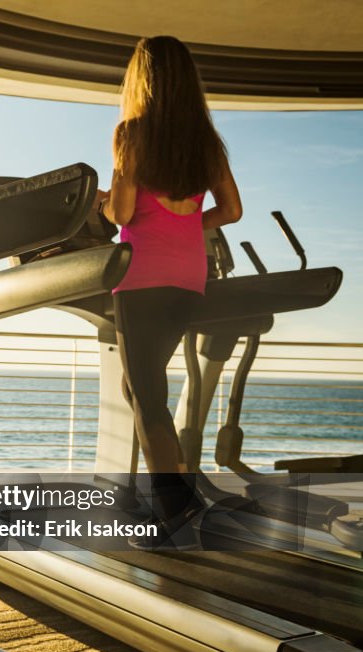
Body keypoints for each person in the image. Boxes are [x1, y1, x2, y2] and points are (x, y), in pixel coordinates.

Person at [96, 35, 243, 548]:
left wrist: (103, 202)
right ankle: (182, 497)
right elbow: (231, 211)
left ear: (142, 80)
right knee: (139, 390)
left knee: (149, 397)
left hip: (140, 277)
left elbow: (123, 213)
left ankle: (172, 513)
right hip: (189, 278)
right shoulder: (205, 141)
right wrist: (187, 225)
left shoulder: (132, 134)